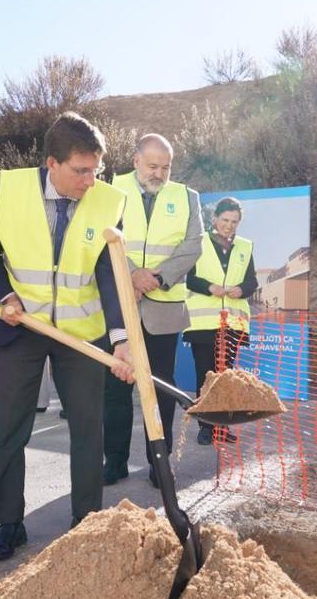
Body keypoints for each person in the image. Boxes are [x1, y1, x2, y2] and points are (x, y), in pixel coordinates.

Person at [0, 111, 135, 562]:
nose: (90, 180)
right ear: (52, 163)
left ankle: (86, 522)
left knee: (88, 428)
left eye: (95, 170)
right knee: (10, 429)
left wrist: (120, 338)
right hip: (21, 328)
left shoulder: (108, 200)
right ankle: (9, 524)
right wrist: (5, 295)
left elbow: (108, 272)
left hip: (81, 335)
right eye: (81, 171)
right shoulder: (10, 189)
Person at [102, 134, 202, 487]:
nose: (159, 173)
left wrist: (156, 278)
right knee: (114, 384)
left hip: (163, 307)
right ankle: (113, 461)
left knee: (160, 385)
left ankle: (159, 463)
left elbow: (192, 247)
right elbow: (102, 238)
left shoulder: (187, 197)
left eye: (166, 167)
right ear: (135, 161)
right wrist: (131, 273)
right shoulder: (109, 190)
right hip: (119, 306)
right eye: (152, 166)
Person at [183, 196, 258, 445]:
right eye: (225, 220)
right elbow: (188, 277)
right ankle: (206, 427)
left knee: (225, 377)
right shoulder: (199, 242)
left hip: (233, 325)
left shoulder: (245, 246)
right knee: (206, 377)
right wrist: (209, 287)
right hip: (203, 325)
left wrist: (242, 290)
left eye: (234, 221)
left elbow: (252, 282)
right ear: (215, 219)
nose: (229, 225)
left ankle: (222, 428)